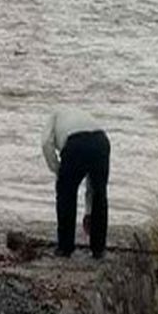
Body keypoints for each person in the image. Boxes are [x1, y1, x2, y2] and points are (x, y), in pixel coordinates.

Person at [42, 108, 110, 258]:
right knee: (100, 193)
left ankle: (65, 248)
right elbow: (91, 187)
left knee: (66, 194)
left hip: (75, 143)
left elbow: (46, 143)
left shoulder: (54, 115)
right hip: (101, 141)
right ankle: (98, 249)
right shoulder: (83, 115)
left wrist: (58, 169)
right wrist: (89, 211)